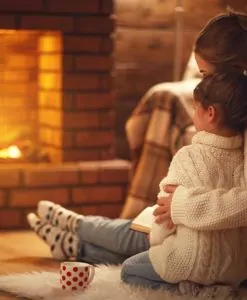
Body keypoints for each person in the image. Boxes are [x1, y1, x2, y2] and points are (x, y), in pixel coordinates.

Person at [27, 10, 247, 294]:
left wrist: (179, 206)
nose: (203, 85)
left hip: (224, 243)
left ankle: (79, 232)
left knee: (150, 243)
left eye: (206, 74)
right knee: (149, 232)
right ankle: (78, 233)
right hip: (209, 229)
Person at [121, 71, 247, 290]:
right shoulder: (242, 159)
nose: (192, 114)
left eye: (195, 107)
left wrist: (159, 245)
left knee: (128, 269)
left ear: (210, 113)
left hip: (190, 263)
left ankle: (190, 289)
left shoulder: (188, 156)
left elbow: (163, 219)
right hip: (235, 269)